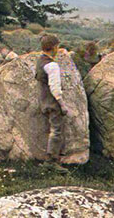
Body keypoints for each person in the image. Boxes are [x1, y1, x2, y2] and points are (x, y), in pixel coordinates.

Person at [36, 34, 85, 163]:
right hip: (52, 103)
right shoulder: (52, 66)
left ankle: (55, 156)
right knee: (56, 131)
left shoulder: (40, 61)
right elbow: (55, 88)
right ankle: (51, 160)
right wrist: (62, 105)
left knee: (53, 130)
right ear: (54, 47)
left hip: (43, 101)